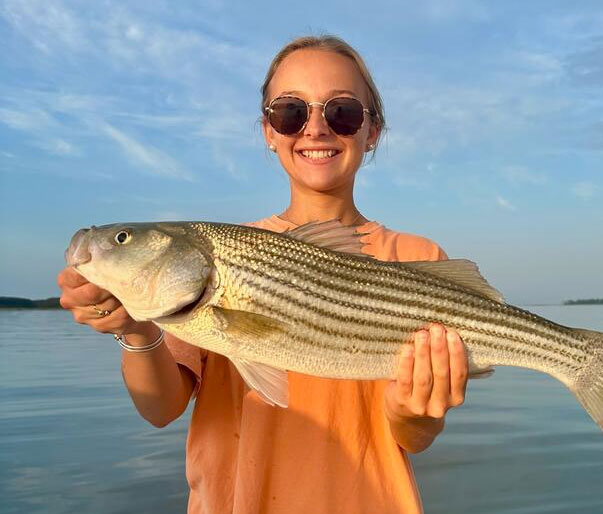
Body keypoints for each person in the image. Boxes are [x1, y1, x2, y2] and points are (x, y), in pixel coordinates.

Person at [57, 35, 471, 514]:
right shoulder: (225, 252)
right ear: (268, 131)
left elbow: (415, 439)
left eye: (342, 112)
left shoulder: (418, 256)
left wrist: (412, 411)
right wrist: (134, 328)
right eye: (290, 112)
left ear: (372, 130)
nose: (315, 129)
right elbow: (160, 408)